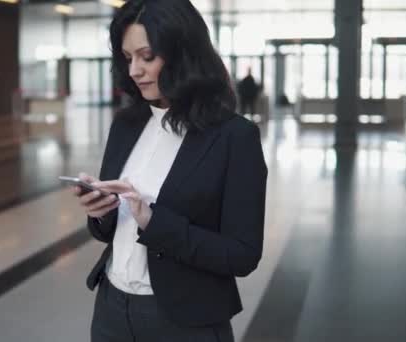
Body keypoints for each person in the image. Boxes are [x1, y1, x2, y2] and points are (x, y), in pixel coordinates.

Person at [69, 1, 267, 341]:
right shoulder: (127, 125)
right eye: (128, 58)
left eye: (147, 57)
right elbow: (110, 231)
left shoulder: (234, 137)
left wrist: (154, 222)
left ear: (184, 54)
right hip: (112, 311)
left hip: (184, 322)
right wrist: (101, 211)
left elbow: (242, 254)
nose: (134, 70)